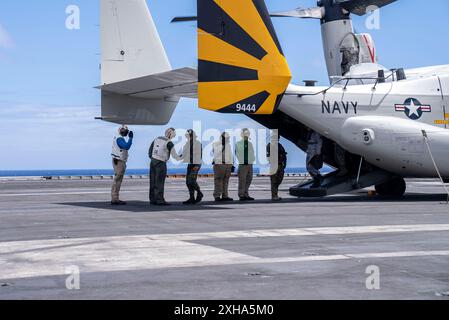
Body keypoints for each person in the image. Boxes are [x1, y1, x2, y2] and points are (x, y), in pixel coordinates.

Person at [148, 128, 181, 206]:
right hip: (161, 163)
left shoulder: (157, 138)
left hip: (153, 161)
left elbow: (150, 150)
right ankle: (160, 200)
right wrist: (180, 157)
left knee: (152, 181)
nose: (174, 135)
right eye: (174, 133)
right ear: (171, 133)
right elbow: (174, 155)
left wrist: (153, 158)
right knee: (159, 182)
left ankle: (152, 199)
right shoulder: (169, 142)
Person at [111, 125, 133, 205]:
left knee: (118, 180)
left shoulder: (117, 137)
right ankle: (115, 199)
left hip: (118, 160)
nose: (126, 132)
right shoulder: (119, 138)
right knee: (117, 180)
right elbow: (126, 146)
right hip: (119, 161)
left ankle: (115, 198)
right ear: (120, 130)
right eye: (125, 130)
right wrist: (130, 138)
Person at [180, 129, 204, 205]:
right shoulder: (187, 144)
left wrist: (197, 165)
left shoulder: (197, 143)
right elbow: (184, 153)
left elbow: (199, 155)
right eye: (188, 135)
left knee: (192, 181)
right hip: (190, 164)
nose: (188, 137)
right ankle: (192, 198)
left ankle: (199, 193)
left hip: (196, 164)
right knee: (188, 182)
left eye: (190, 135)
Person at [212, 132, 234, 202]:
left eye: (228, 138)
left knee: (226, 181)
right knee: (218, 181)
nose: (227, 139)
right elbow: (216, 152)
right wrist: (222, 144)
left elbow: (230, 155)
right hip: (219, 164)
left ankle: (225, 195)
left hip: (228, 164)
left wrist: (232, 164)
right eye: (226, 138)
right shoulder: (216, 144)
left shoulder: (228, 145)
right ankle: (217, 196)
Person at [235, 128, 255, 201]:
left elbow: (252, 152)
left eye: (248, 133)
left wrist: (252, 159)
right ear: (242, 134)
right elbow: (238, 153)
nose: (247, 135)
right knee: (242, 180)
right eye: (245, 133)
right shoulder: (239, 143)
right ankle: (241, 195)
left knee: (249, 180)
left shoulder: (250, 143)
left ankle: (246, 194)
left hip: (250, 164)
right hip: (243, 164)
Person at [267, 135, 288, 201]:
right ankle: (274, 196)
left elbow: (284, 155)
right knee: (274, 181)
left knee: (279, 180)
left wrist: (285, 163)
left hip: (280, 165)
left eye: (278, 138)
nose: (277, 139)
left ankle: (275, 194)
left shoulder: (280, 145)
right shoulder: (270, 145)